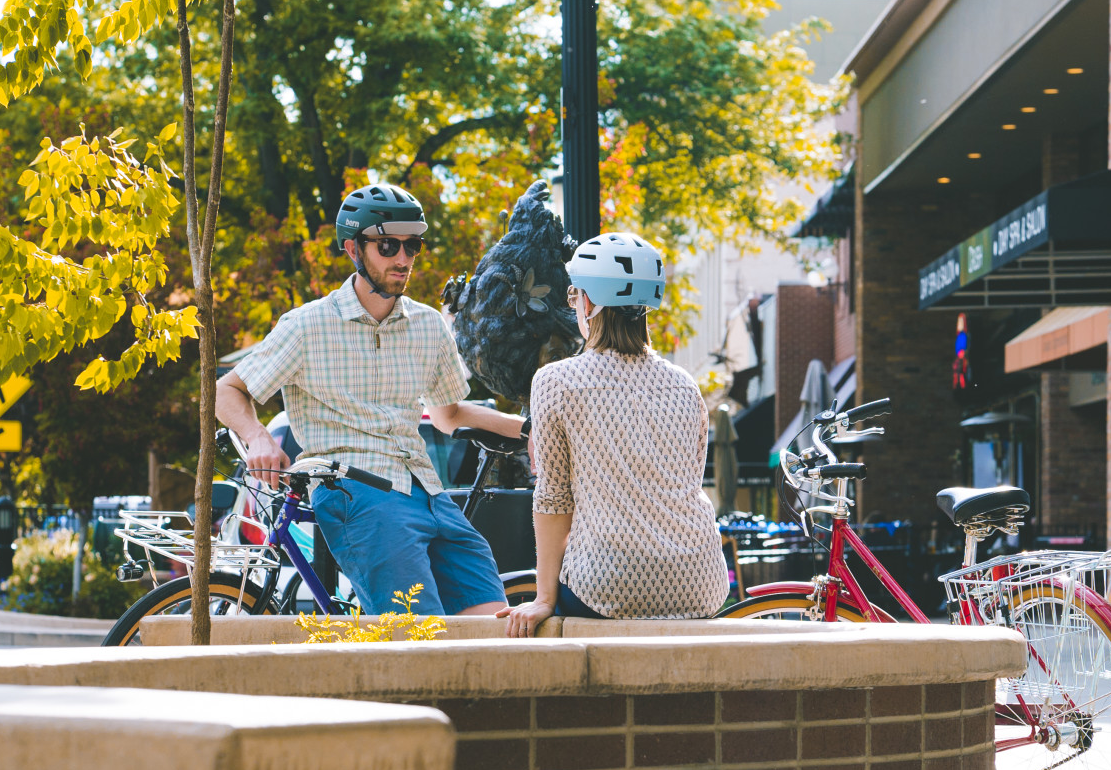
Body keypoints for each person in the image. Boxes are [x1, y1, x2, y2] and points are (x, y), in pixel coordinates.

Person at [216, 183, 525, 616]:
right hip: (355, 487)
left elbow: (448, 414)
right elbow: (226, 389)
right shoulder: (307, 325)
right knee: (419, 633)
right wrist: (258, 437)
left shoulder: (428, 325)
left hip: (428, 492)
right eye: (388, 245)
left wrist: (534, 430)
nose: (403, 259)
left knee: (492, 623)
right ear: (353, 248)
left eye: (412, 245)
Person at [498, 232, 728, 637]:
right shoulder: (685, 385)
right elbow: (689, 481)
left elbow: (553, 497)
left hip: (609, 585)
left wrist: (544, 598)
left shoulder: (557, 380)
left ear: (588, 302)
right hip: (703, 582)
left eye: (574, 295)